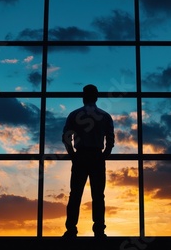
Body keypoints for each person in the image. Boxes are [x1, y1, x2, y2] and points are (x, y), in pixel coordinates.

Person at [61, 84, 115, 239]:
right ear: (96, 97)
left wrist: (72, 154)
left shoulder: (74, 115)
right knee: (98, 195)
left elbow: (66, 136)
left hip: (81, 156)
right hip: (97, 156)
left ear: (83, 97)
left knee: (75, 194)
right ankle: (99, 230)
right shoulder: (105, 116)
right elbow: (110, 139)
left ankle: (71, 229)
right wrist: (105, 155)